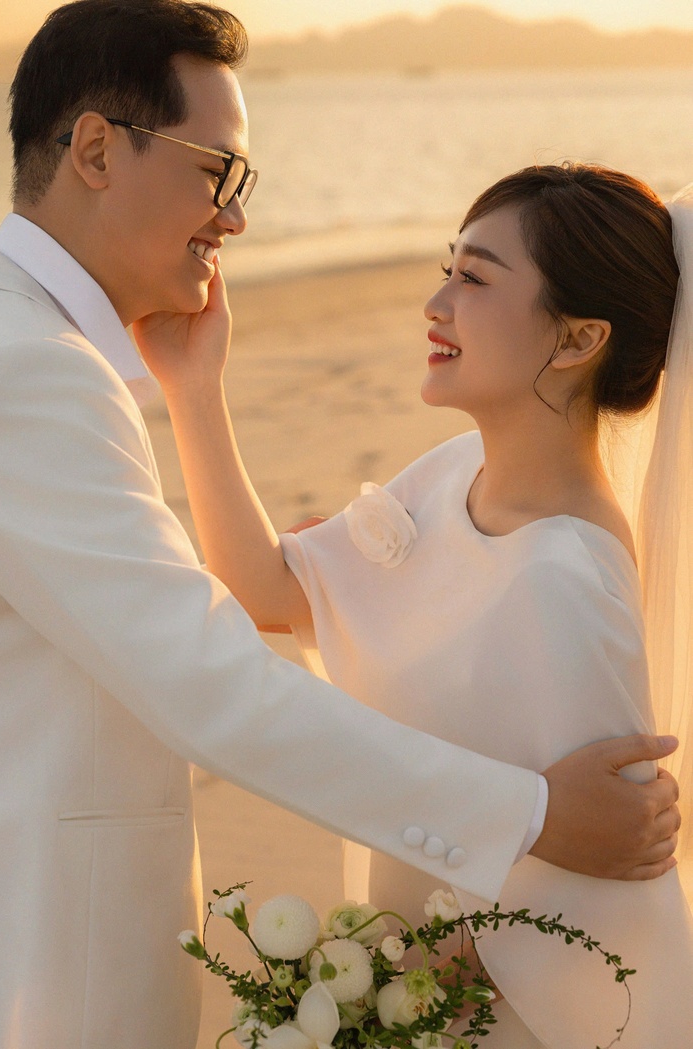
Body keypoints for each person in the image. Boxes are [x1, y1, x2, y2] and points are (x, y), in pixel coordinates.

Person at [0, 1, 679, 1046]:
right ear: (95, 151)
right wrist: (527, 814)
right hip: (45, 979)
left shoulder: (35, 351)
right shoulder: (31, 367)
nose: (235, 219)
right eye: (217, 173)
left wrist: (193, 390)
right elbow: (213, 673)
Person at [139, 161, 693, 1047]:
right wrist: (193, 383)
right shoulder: (451, 476)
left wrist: (396, 997)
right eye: (446, 269)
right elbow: (267, 589)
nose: (436, 304)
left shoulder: (568, 575)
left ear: (578, 338)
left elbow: (602, 884)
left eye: (475, 279)